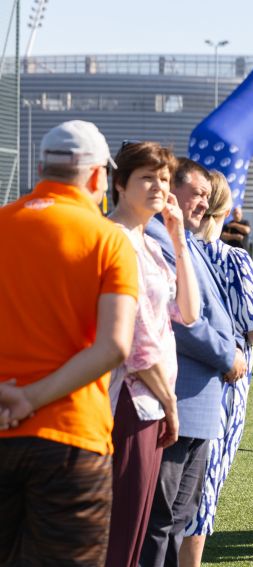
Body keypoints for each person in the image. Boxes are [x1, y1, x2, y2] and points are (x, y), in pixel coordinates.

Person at [0, 121, 138, 565]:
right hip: (72, 436)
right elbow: (115, 345)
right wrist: (31, 398)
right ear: (99, 178)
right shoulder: (109, 239)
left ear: (41, 168)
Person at [142, 159, 247, 567]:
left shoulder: (184, 240)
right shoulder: (156, 237)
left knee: (179, 517)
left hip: (199, 405)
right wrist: (227, 353)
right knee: (159, 519)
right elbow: (180, 318)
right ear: (172, 190)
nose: (204, 203)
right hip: (176, 400)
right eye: (197, 193)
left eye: (208, 195)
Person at [105, 142, 200, 567]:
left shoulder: (146, 241)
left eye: (164, 178)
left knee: (135, 531)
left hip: (148, 402)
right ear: (120, 184)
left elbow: (189, 312)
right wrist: (171, 404)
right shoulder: (117, 238)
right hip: (127, 398)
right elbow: (138, 344)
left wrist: (179, 240)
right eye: (147, 177)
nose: (159, 186)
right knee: (120, 534)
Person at [181, 172, 253, 566]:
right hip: (224, 382)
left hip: (178, 378)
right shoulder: (231, 258)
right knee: (204, 487)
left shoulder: (178, 250)